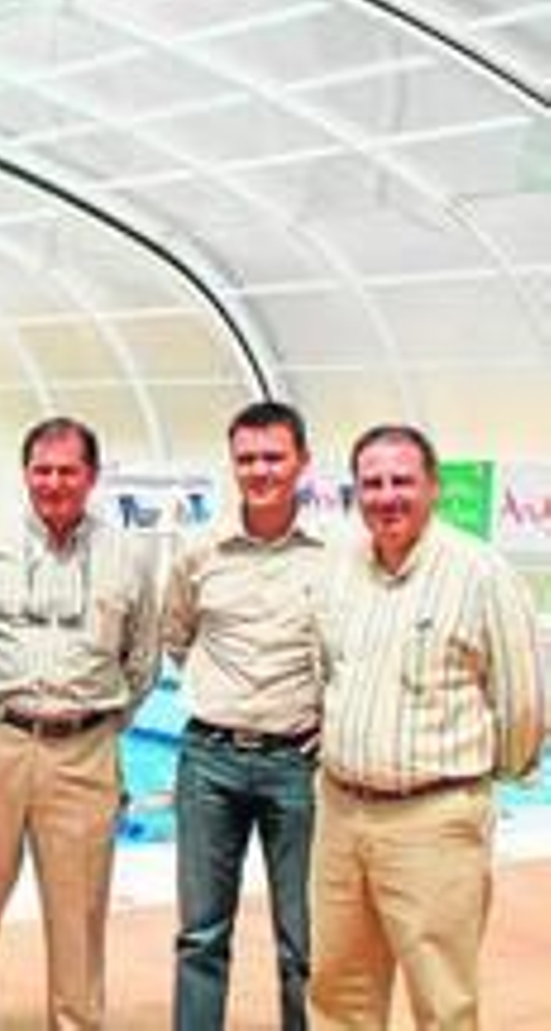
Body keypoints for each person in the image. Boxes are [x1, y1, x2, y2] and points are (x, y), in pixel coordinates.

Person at [310, 424, 545, 1030]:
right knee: (339, 993)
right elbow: (324, 673)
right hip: (340, 815)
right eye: (372, 483)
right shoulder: (339, 569)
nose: (387, 496)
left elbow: (523, 703)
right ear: (355, 491)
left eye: (402, 481)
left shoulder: (479, 573)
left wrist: (469, 791)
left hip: (433, 822)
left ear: (433, 487)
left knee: (441, 1000)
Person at [0, 416, 158, 1031]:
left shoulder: (128, 555)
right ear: (25, 473)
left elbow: (143, 658)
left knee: (80, 920)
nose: (53, 482)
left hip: (84, 753)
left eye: (67, 470)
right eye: (42, 470)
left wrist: (95, 721)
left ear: (91, 476)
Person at [162, 401, 325, 1031]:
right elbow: (176, 635)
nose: (260, 470)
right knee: (200, 935)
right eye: (247, 458)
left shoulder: (335, 552)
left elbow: (353, 648)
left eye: (274, 457)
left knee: (303, 941)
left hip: (298, 766)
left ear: (302, 463)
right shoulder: (199, 551)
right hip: (210, 760)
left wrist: (330, 716)